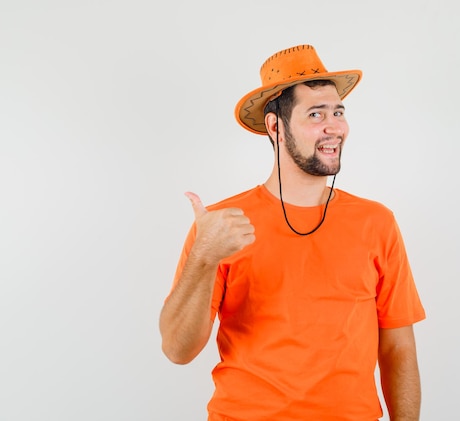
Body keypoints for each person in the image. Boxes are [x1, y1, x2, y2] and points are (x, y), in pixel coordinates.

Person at [159, 44, 426, 421]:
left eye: (338, 112)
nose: (334, 126)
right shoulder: (220, 226)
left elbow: (398, 346)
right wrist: (204, 256)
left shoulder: (376, 221)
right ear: (275, 127)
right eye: (316, 114)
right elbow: (177, 349)